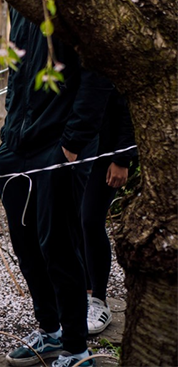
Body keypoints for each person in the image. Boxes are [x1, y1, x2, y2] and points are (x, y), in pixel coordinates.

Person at [0, 0, 110, 367]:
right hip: (15, 149)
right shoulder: (21, 4)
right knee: (26, 246)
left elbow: (98, 77)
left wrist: (72, 145)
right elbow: (19, 73)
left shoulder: (75, 7)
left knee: (58, 248)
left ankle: (78, 350)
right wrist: (9, 135)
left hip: (56, 152)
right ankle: (50, 330)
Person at [80, 89, 134, 337]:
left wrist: (122, 157)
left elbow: (127, 104)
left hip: (105, 152)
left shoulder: (109, 56)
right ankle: (82, 293)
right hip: (74, 150)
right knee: (75, 222)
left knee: (91, 220)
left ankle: (98, 300)